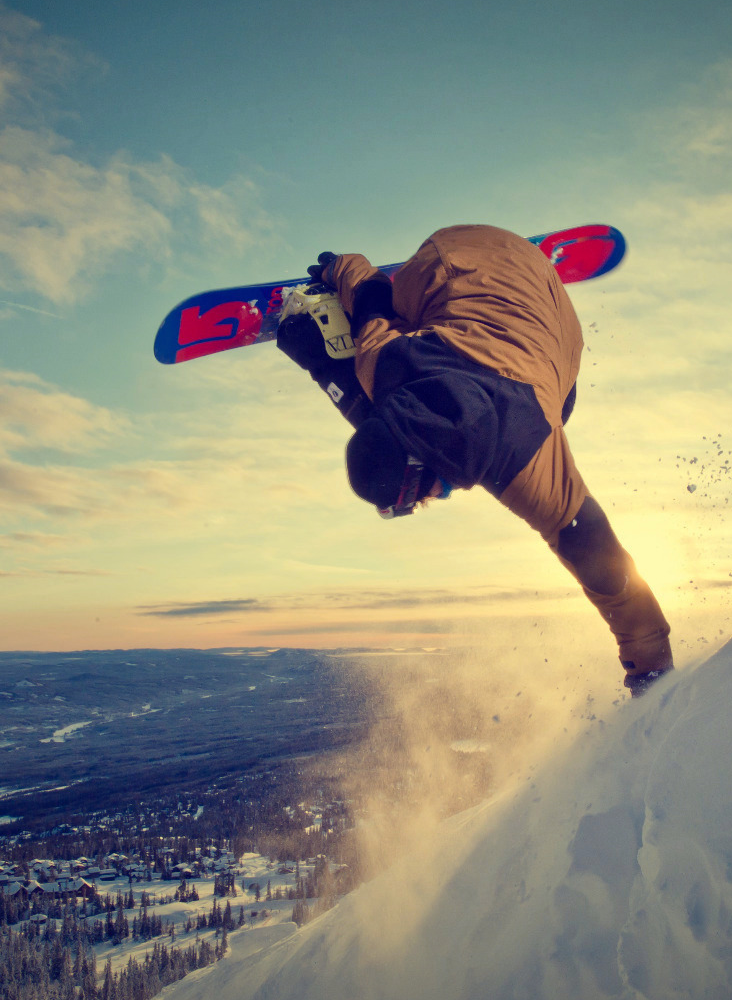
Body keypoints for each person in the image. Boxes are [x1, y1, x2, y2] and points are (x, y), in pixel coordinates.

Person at [277, 224, 672, 695]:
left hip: (514, 303)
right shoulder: (384, 363)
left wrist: (650, 676)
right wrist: (335, 267)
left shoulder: (531, 465)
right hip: (463, 256)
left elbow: (611, 575)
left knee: (561, 407)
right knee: (374, 377)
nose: (425, 503)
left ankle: (320, 335)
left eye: (412, 499)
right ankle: (321, 331)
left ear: (424, 470)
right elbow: (369, 293)